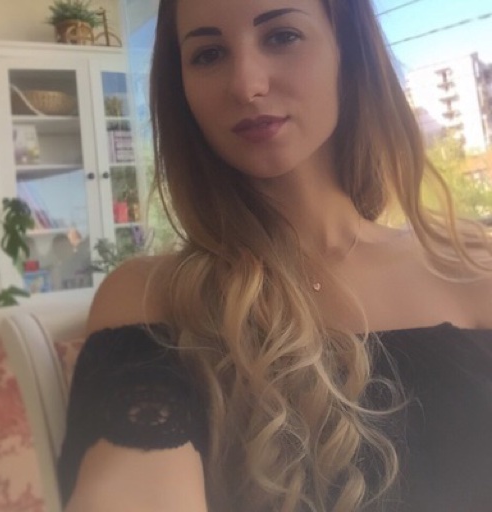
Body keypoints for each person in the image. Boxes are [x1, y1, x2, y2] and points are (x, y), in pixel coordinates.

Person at [58, 0, 492, 511]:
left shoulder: (474, 269)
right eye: (208, 54)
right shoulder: (156, 300)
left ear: (348, 50)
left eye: (282, 36)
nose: (246, 84)